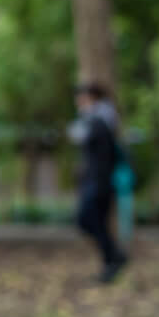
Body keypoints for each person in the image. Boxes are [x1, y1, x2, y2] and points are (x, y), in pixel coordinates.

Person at [69, 83, 129, 283]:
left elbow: (101, 158)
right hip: (98, 183)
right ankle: (112, 262)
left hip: (98, 184)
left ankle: (115, 258)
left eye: (81, 98)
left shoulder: (98, 122)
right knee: (94, 223)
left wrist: (96, 183)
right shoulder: (100, 121)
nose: (78, 102)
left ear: (91, 99)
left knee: (86, 220)